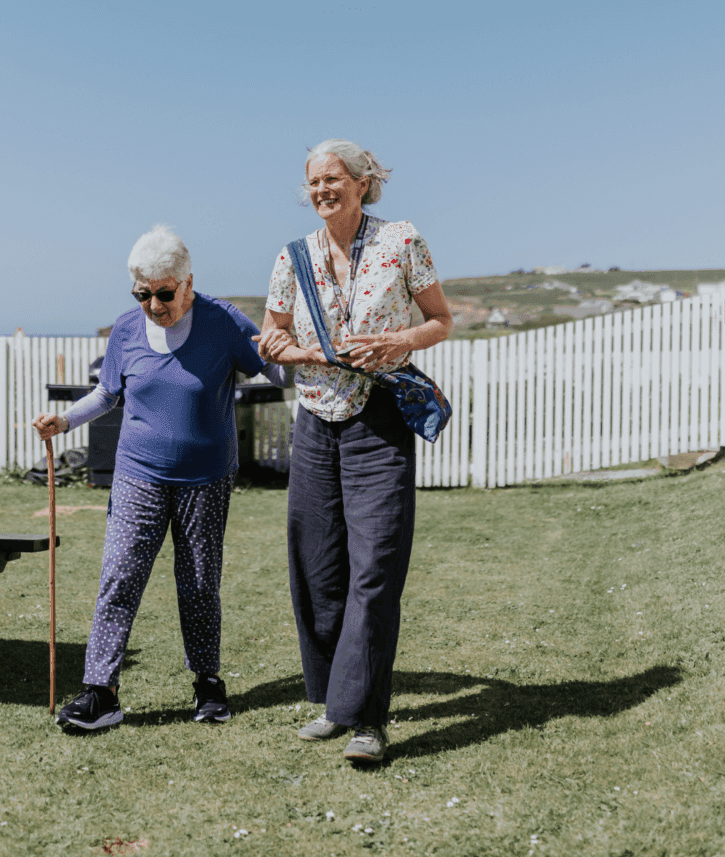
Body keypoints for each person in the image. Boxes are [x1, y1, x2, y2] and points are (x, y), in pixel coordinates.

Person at [34, 224, 288, 731]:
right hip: (137, 474)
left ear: (187, 282)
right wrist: (63, 422)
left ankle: (207, 686)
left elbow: (277, 373)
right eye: (143, 293)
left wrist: (287, 346)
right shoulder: (127, 329)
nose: (154, 304)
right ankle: (100, 692)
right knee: (119, 575)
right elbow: (107, 395)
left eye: (165, 293)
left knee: (198, 582)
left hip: (207, 477)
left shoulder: (223, 322)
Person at [254, 139, 452, 763]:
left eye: (332, 178)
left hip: (379, 419)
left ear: (363, 182)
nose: (320, 190)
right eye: (312, 181)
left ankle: (366, 717)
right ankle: (334, 703)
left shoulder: (402, 241)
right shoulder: (292, 257)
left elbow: (440, 320)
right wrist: (305, 353)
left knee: (376, 567)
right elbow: (271, 336)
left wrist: (399, 339)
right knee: (317, 567)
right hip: (314, 421)